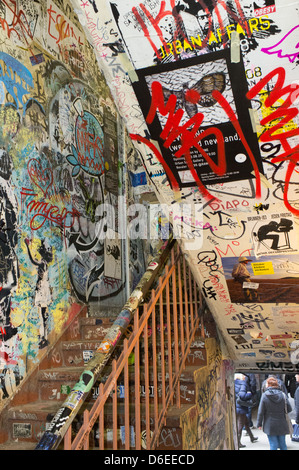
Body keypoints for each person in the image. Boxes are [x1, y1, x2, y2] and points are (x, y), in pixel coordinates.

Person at [257, 376, 292, 450]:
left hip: (270, 424)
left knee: (273, 444)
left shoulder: (264, 395)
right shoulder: (283, 395)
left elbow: (261, 411)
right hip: (282, 423)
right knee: (283, 444)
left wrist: (259, 424)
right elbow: (289, 409)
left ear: (268, 385)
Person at [235, 373, 258, 448]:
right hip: (241, 407)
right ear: (241, 377)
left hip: (236, 406)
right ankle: (238, 442)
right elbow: (242, 395)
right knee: (240, 425)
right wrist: (249, 393)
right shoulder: (243, 384)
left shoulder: (234, 383)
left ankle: (252, 437)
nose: (245, 377)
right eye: (244, 376)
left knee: (246, 422)